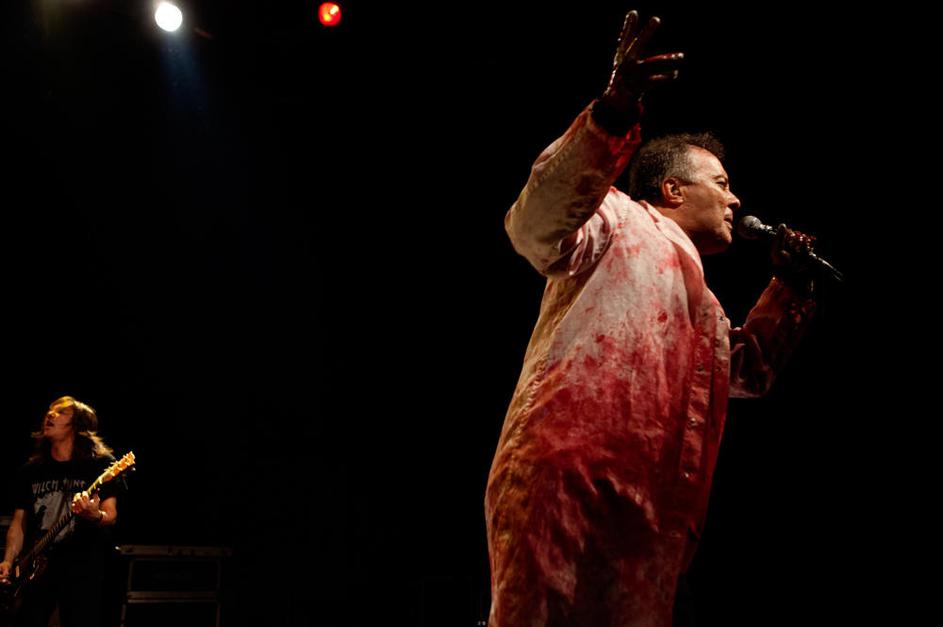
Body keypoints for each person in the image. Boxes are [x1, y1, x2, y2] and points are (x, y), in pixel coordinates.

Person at [485, 9, 818, 627]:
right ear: (672, 191)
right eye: (722, 182)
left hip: (656, 520)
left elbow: (748, 373)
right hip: (573, 481)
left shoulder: (707, 307)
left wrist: (791, 285)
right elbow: (533, 227)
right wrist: (612, 115)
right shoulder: (616, 218)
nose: (735, 198)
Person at [0, 397, 126, 627]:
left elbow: (111, 515)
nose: (50, 414)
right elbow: (19, 523)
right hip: (36, 567)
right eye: (50, 411)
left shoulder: (99, 465)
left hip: (82, 568)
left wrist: (94, 515)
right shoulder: (31, 470)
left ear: (77, 424)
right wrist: (8, 561)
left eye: (60, 412)